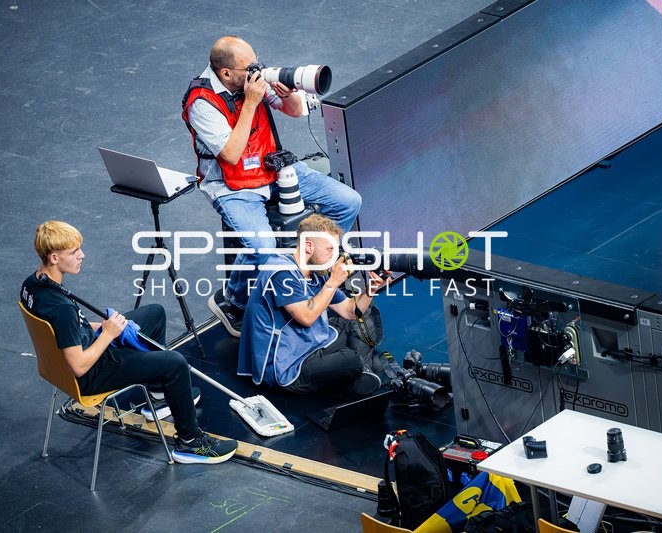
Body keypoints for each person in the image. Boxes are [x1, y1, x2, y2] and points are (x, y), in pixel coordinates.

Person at [181, 35, 362, 337]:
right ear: (226, 74)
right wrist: (251, 102)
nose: (255, 70)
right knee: (263, 246)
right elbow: (230, 154)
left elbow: (293, 110)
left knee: (348, 201)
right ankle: (233, 300)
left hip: (274, 168)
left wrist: (288, 93)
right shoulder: (201, 102)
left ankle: (318, 266)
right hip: (232, 186)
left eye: (256, 62)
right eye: (247, 67)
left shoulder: (250, 80)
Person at [20, 221, 237, 464]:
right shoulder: (61, 308)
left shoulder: (33, 285)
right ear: (54, 257)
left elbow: (66, 330)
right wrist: (108, 334)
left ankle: (158, 393)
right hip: (92, 373)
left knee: (154, 314)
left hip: (76, 354)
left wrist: (104, 326)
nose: (82, 255)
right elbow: (79, 366)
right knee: (174, 363)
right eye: (74, 252)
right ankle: (190, 442)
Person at [237, 214, 387, 395]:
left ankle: (355, 372)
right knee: (351, 360)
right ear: (309, 246)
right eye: (329, 249)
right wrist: (332, 282)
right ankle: (356, 368)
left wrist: (371, 288)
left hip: (309, 343)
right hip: (288, 365)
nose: (335, 256)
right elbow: (306, 318)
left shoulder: (316, 270)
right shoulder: (281, 273)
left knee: (365, 312)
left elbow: (349, 311)